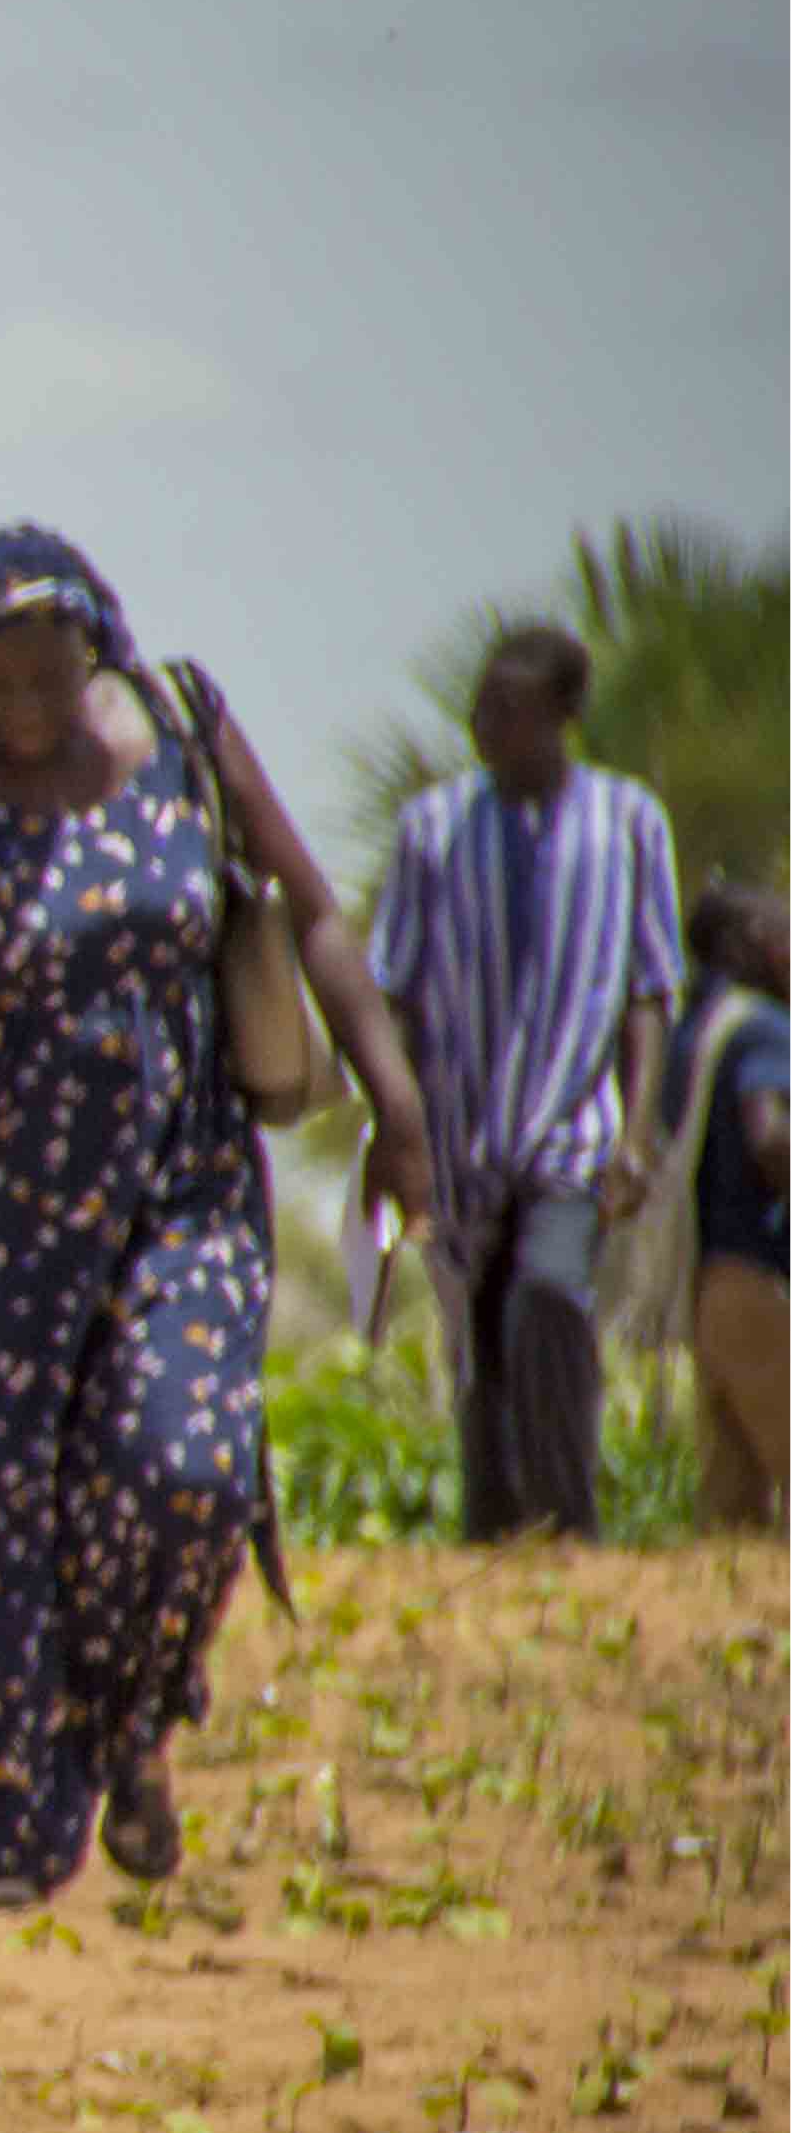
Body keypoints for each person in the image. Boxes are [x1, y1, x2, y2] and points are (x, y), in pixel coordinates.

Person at [0, 529, 429, 1905]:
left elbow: (313, 917)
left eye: (41, 678)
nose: (17, 710)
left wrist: (399, 1107)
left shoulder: (181, 727)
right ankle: (9, 1838)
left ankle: (128, 1724)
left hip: (178, 1180)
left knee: (188, 1471)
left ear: (93, 645)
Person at [364, 626, 682, 1542]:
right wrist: (393, 1123)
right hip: (458, 1132)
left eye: (506, 709)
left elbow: (648, 989)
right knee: (481, 1333)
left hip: (572, 1125)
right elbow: (393, 989)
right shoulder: (432, 829)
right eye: (479, 705)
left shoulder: (625, 822)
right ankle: (494, 1526)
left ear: (562, 715)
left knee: (548, 1292)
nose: (483, 724)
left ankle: (566, 1518)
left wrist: (635, 1130)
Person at [635, 882, 790, 1529]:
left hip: (704, 1288)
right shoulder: (761, 1029)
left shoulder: (691, 1034)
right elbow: (770, 1138)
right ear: (751, 944)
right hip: (758, 1284)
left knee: (732, 1512)